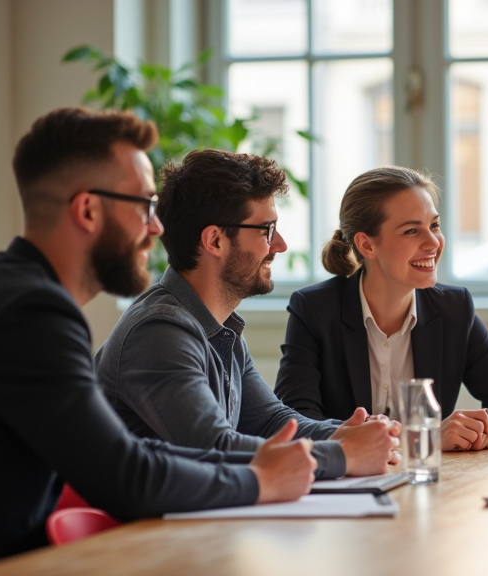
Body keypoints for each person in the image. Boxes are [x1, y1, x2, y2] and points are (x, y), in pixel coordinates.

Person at [0, 108, 316, 568]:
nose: (156, 227)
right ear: (88, 209)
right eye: (144, 206)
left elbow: (130, 454)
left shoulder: (15, 293)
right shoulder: (30, 313)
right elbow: (127, 477)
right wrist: (261, 481)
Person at [95, 149, 399, 479]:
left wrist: (350, 434)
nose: (279, 245)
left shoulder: (219, 327)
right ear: (214, 240)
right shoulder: (158, 331)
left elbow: (270, 422)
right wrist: (343, 454)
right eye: (266, 230)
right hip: (139, 530)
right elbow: (213, 448)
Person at [274, 166, 488, 451]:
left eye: (434, 226)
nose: (433, 243)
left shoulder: (453, 309)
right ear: (367, 244)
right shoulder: (316, 310)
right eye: (411, 231)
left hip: (428, 484)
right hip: (344, 485)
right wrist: (421, 439)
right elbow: (295, 424)